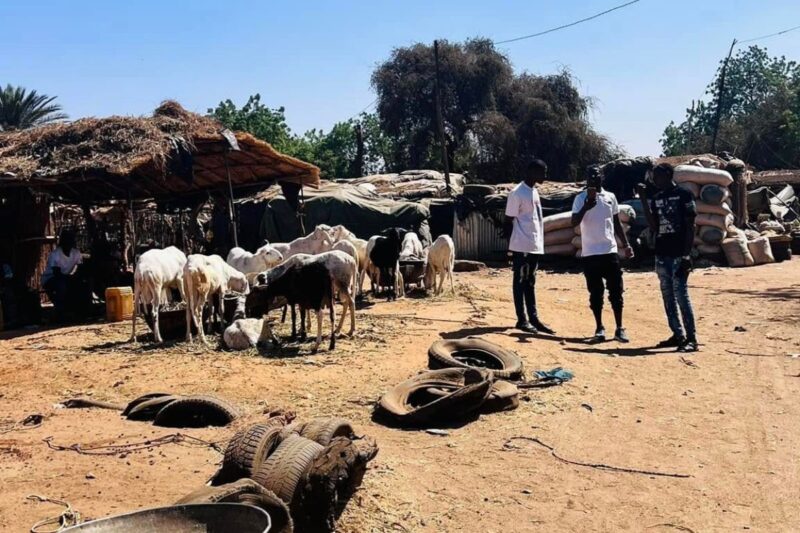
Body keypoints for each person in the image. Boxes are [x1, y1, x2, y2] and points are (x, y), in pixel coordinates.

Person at [637, 163, 698, 352]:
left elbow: (691, 227)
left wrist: (687, 254)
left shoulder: (684, 195)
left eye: (658, 176)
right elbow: (654, 226)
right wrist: (644, 199)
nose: (655, 180)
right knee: (667, 296)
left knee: (681, 294)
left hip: (679, 253)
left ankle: (691, 338)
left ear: (668, 175)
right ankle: (677, 334)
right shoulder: (656, 198)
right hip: (662, 253)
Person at [571, 168, 633, 342]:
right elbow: (574, 222)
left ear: (602, 177)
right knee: (595, 293)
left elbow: (616, 223)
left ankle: (620, 328)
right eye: (590, 175)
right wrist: (586, 205)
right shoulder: (579, 198)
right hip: (590, 253)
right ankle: (599, 328)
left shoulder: (610, 197)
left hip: (609, 251)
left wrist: (626, 245)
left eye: (596, 174)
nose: (593, 177)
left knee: (616, 291)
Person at [504, 159, 554, 334]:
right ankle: (522, 319)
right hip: (521, 245)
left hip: (534, 245)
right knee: (519, 282)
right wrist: (510, 249)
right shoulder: (517, 193)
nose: (545, 176)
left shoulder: (534, 192)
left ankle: (534, 318)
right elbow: (508, 221)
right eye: (543, 172)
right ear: (532, 172)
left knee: (530, 282)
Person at [42, 229, 82, 322]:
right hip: (50, 279)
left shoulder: (76, 253)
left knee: (81, 284)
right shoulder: (55, 254)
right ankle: (60, 312)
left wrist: (76, 278)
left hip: (65, 277)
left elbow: (80, 268)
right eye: (67, 239)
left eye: (71, 239)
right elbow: (57, 274)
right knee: (62, 285)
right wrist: (70, 279)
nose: (69, 242)